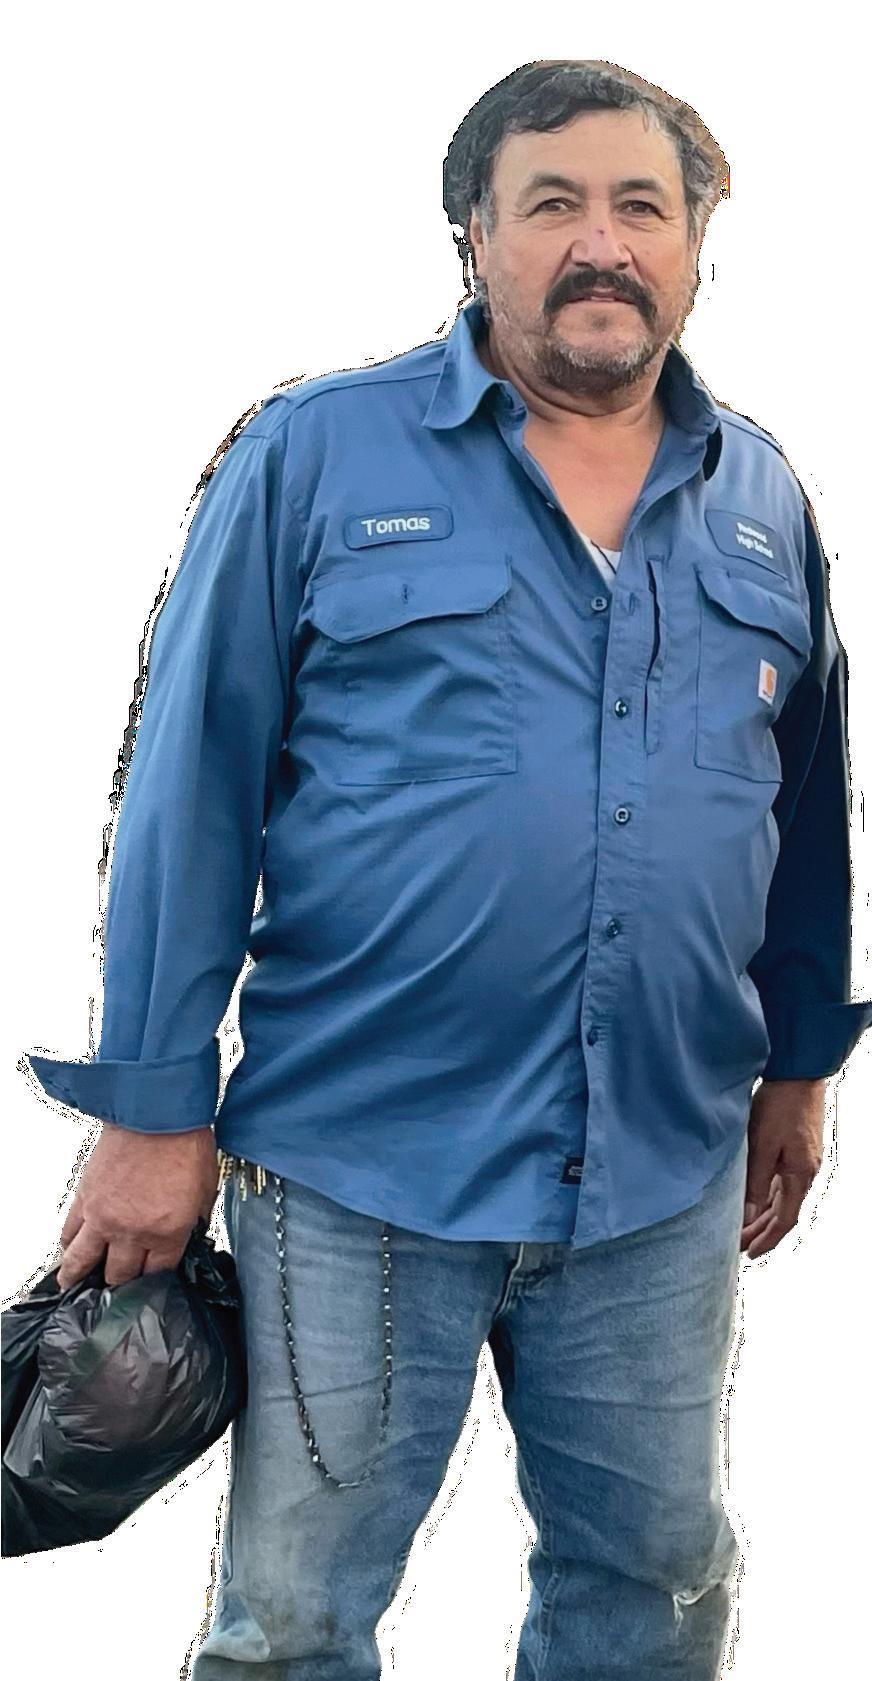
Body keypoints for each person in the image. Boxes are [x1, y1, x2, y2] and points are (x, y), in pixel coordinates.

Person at [22, 58, 872, 1681]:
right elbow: (190, 789)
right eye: (553, 204)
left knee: (652, 1591)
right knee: (294, 1624)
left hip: (660, 1171)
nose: (601, 242)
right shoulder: (314, 456)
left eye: (642, 206)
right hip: (359, 1172)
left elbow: (806, 810)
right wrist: (152, 1109)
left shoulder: (761, 497)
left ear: (698, 243)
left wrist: (802, 1062)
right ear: (474, 235)